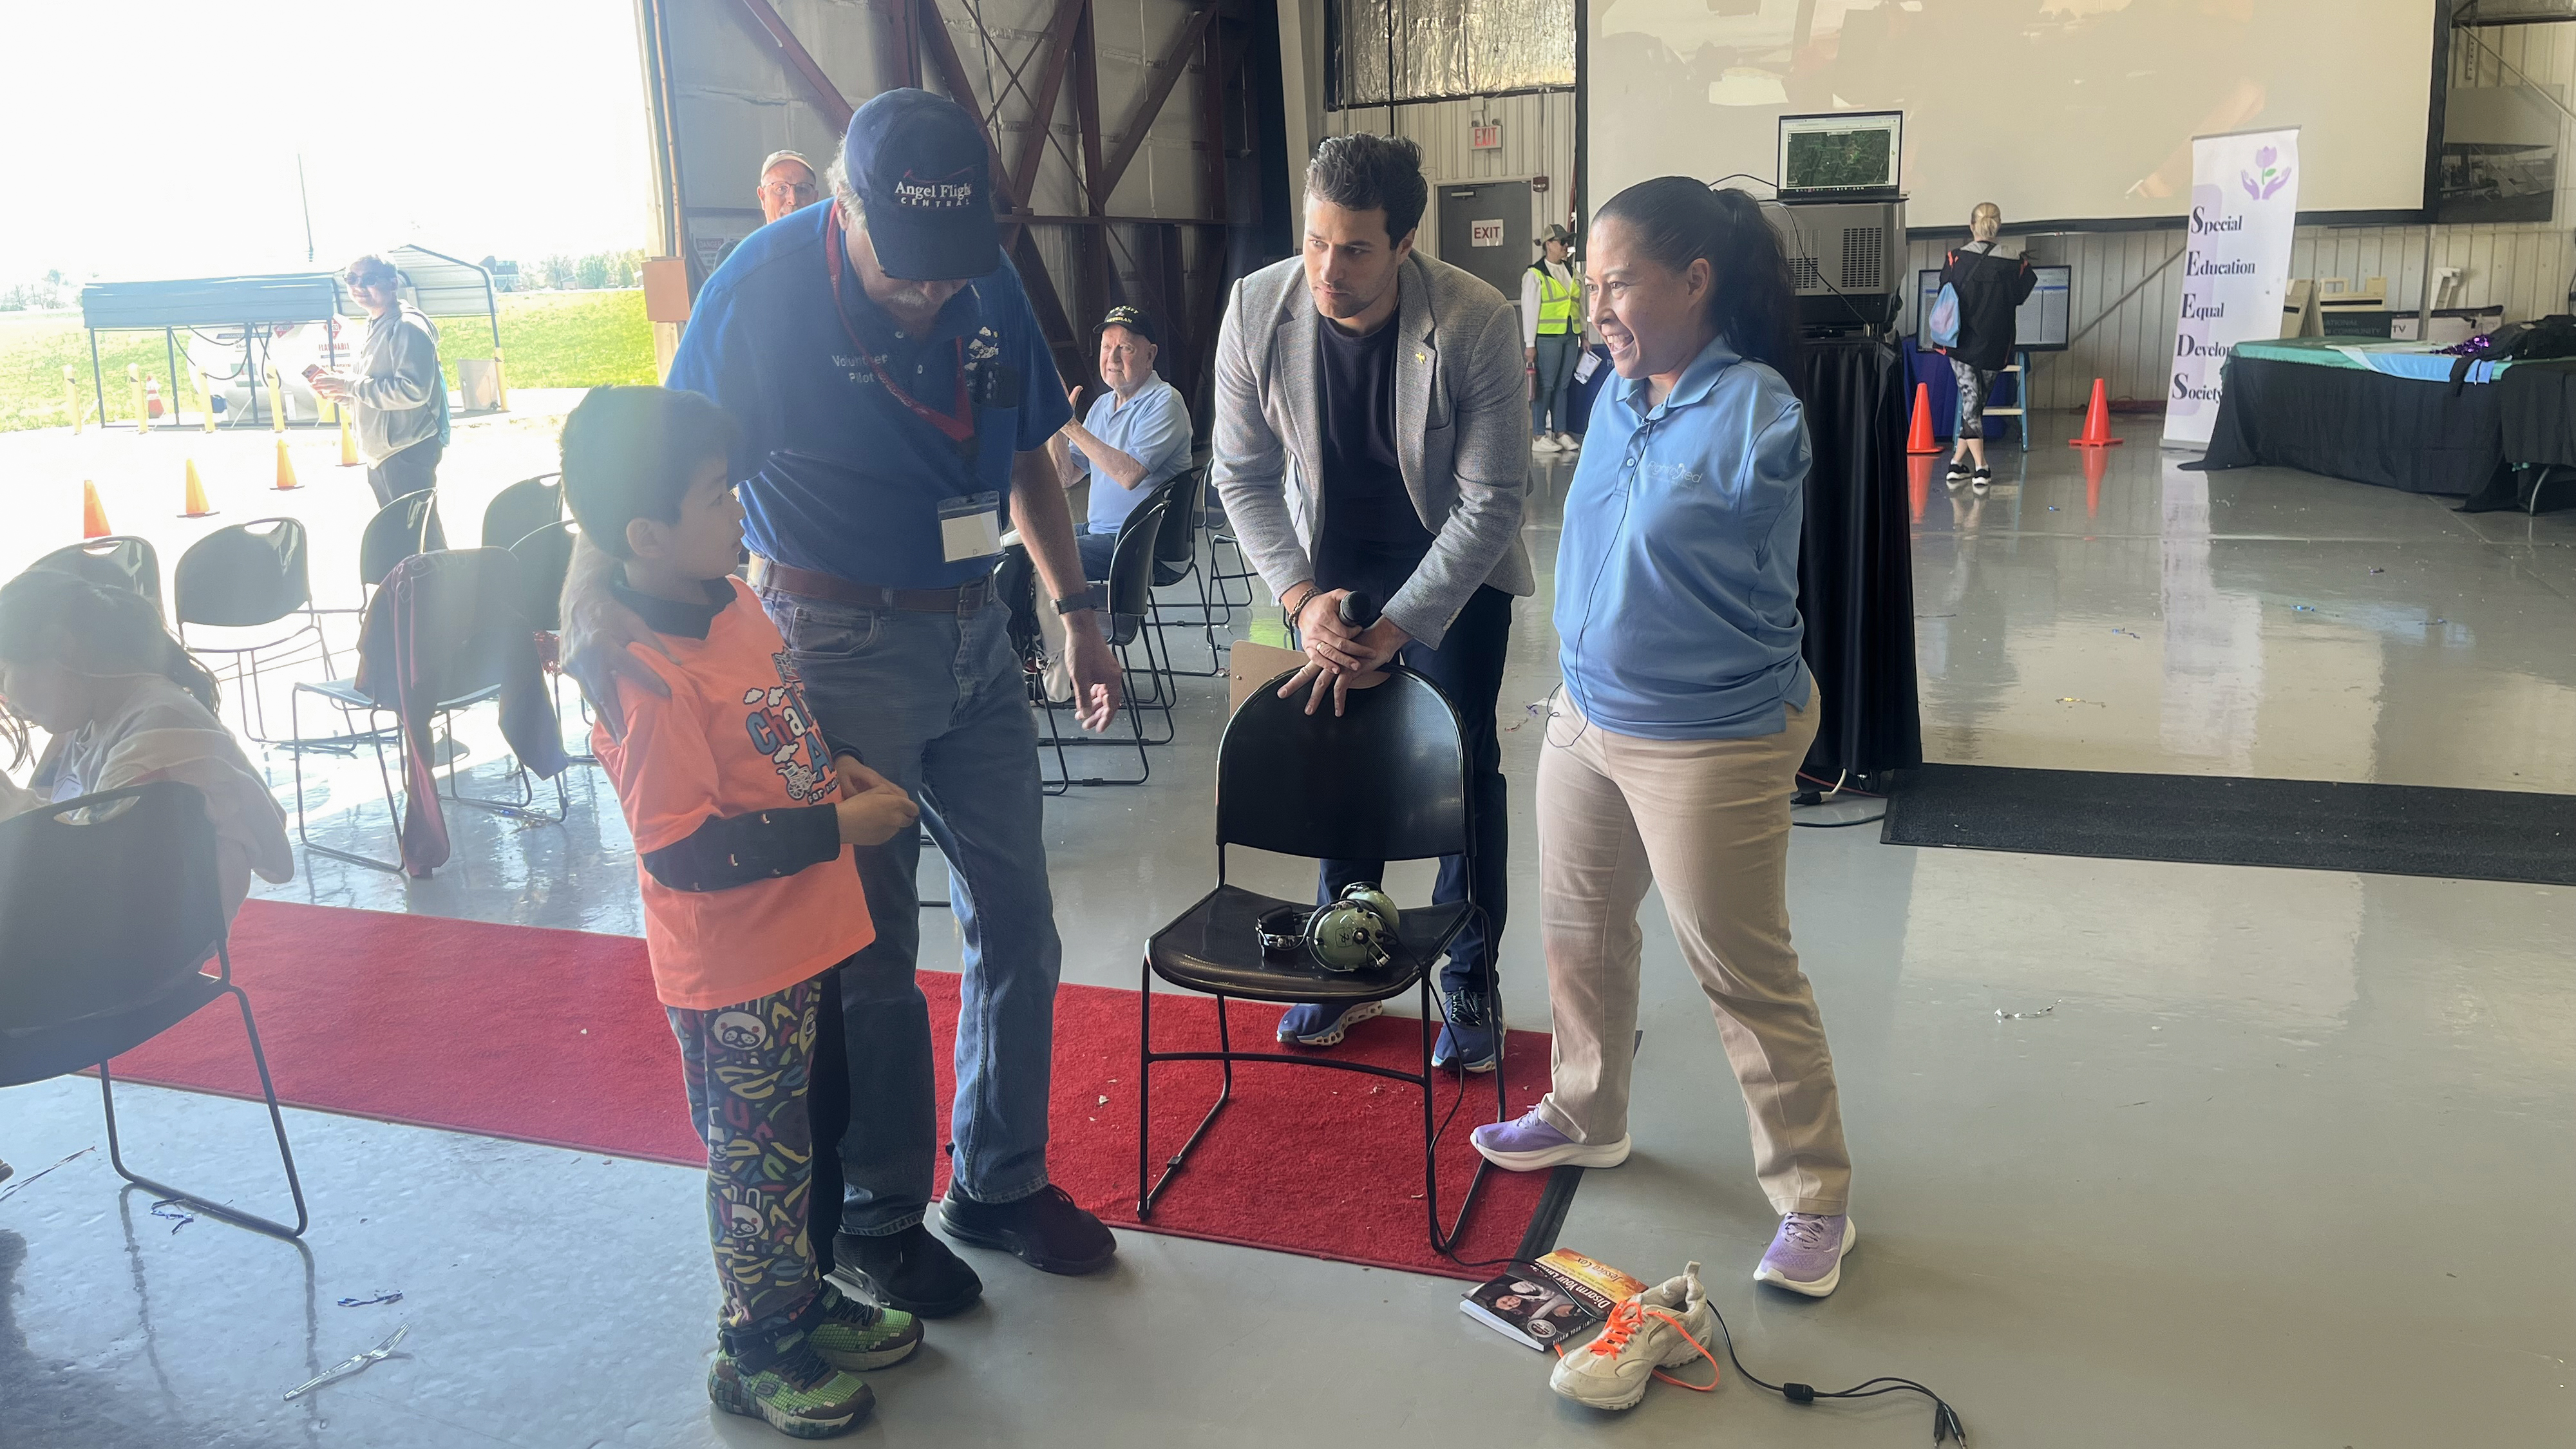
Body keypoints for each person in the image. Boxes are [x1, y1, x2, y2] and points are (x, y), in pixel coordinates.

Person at [560, 89, 1123, 1321]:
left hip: (981, 630)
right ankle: (878, 1214)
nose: (932, 296)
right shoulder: (756, 296)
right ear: (842, 203)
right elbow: (646, 472)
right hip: (838, 638)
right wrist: (588, 599)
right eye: (905, 272)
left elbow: (1028, 445)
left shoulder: (980, 278)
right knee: (865, 947)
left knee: (1019, 918)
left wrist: (1076, 608)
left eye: (951, 273)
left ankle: (1000, 1179)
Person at [1468, 177, 1859, 1300]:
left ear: (1697, 281)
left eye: (1617, 283)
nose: (1597, 308)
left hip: (1711, 738)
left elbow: (1759, 519)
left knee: (1742, 970)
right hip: (1589, 717)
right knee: (1579, 937)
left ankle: (1815, 1196)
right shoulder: (1617, 394)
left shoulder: (1758, 415)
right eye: (1589, 285)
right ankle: (1588, 1110)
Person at [560, 385, 925, 1439]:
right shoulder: (643, 674)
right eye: (717, 497)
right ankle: (756, 1347)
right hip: (736, 978)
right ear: (647, 534)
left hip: (805, 942)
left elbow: (779, 727)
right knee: (759, 1165)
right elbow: (683, 849)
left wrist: (832, 771)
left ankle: (800, 1300)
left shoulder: (732, 602)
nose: (738, 511)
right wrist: (842, 827)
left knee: (812, 1138)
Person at [1210, 133, 1530, 1072]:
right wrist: (1304, 601)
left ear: (1405, 242)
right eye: (1315, 241)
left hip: (1451, 573)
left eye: (1355, 249)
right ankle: (1344, 953)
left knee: (1458, 771)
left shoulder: (1474, 319)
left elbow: (1491, 501)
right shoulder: (1254, 308)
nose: (1327, 269)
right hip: (1329, 564)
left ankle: (1469, 974)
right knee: (1337, 755)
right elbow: (1242, 476)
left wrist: (1399, 627)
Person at [0, 569, 292, 920]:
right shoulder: (83, 727)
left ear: (65, 649)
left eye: (4, 674)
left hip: (140, 950)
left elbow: (92, 888)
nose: (7, 700)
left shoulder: (159, 738)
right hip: (117, 940)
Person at [1048, 305, 1194, 583]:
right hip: (1100, 534)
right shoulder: (1102, 405)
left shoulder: (1165, 402)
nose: (1112, 358)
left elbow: (1129, 475)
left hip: (1147, 545)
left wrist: (1071, 427)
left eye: (1125, 348)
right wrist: (1057, 427)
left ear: (1150, 354)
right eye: (1106, 347)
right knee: (1024, 544)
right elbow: (1065, 477)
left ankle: (1076, 626)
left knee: (1047, 556)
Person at [311, 254, 450, 509]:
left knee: (421, 536)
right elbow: (370, 389)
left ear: (393, 284)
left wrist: (349, 385)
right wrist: (341, 394)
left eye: (370, 279)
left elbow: (413, 391)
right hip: (381, 454)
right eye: (351, 278)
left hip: (407, 451)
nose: (359, 287)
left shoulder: (407, 327)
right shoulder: (374, 324)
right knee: (398, 535)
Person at [1936, 202, 2036, 489]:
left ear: (1971, 226)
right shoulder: (2016, 262)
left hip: (1960, 343)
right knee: (1974, 405)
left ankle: (1963, 465)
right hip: (1997, 344)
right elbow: (2020, 296)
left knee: (1972, 406)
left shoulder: (1955, 259)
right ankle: (1978, 467)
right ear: (1998, 226)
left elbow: (1945, 291)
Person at [1522, 223, 1587, 454]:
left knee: (1563, 386)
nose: (1566, 247)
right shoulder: (1535, 274)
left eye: (1567, 242)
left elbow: (1579, 305)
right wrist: (1530, 344)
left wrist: (1584, 334)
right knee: (1545, 386)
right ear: (1548, 244)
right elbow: (1530, 311)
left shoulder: (1572, 272)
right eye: (1562, 242)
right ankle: (1539, 436)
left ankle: (1560, 432)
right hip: (1547, 338)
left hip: (1570, 336)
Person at [757, 149, 820, 225]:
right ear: (763, 197)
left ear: (815, 199)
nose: (793, 200)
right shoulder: (752, 238)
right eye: (781, 189)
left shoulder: (831, 237)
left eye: (802, 189)